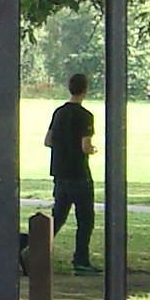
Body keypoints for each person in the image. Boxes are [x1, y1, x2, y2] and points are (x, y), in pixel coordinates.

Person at [45, 72, 98, 271]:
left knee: (58, 216)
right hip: (79, 173)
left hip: (59, 171)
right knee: (85, 219)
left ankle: (34, 248)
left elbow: (48, 140)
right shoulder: (85, 116)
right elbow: (85, 145)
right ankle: (81, 260)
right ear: (85, 90)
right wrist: (92, 150)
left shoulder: (59, 112)